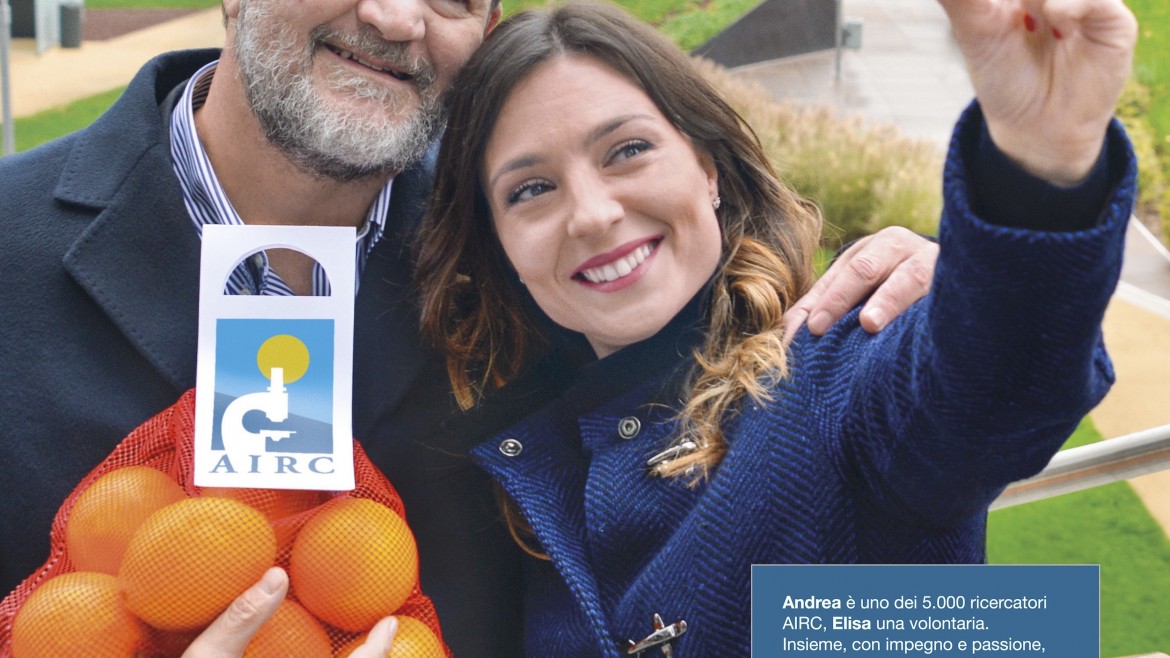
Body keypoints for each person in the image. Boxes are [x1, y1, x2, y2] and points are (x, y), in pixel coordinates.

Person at [0, 0, 936, 654]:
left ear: (481, 37)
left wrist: (963, 292)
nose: (396, 17)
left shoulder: (535, 257)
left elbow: (896, 547)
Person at [413, 0, 1137, 655]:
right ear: (498, 245)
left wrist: (1039, 167)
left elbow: (996, 381)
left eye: (627, 150)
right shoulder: (514, 469)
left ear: (709, 170)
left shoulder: (833, 370)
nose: (593, 214)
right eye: (532, 189)